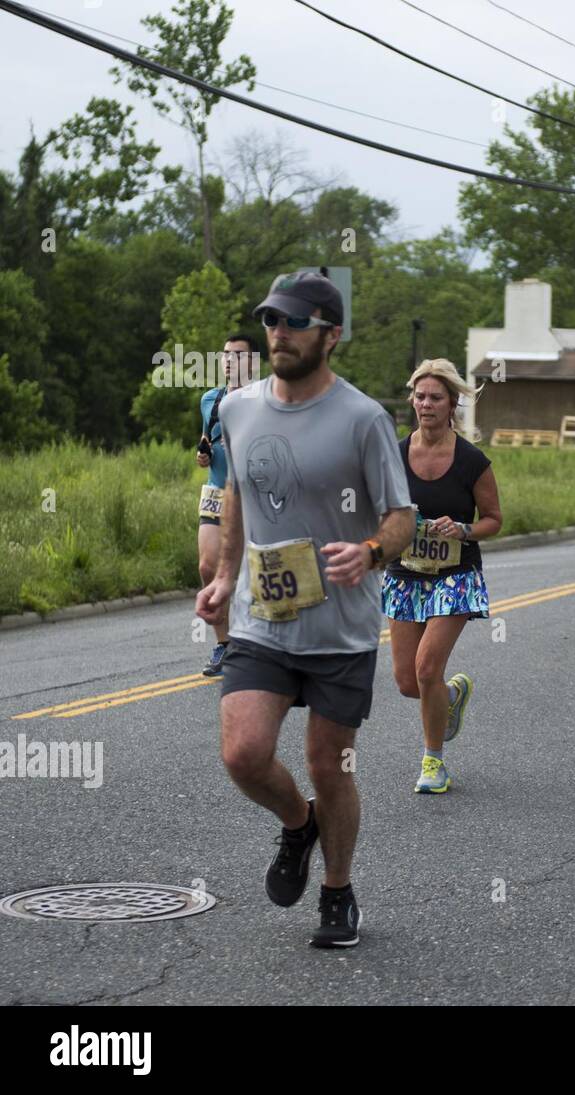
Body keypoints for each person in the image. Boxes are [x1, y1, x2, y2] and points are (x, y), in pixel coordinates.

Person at [196, 271, 416, 948]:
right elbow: (235, 493)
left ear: (331, 333)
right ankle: (299, 824)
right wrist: (226, 574)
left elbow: (402, 513)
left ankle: (338, 888)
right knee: (243, 753)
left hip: (341, 626)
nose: (279, 333)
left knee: (330, 764)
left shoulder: (362, 418)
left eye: (294, 321)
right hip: (266, 617)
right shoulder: (238, 408)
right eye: (271, 320)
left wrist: (373, 551)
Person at [385, 359, 501, 794]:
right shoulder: (394, 455)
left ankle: (434, 762)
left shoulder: (471, 460)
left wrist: (464, 529)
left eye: (436, 397)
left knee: (427, 667)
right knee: (407, 681)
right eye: (420, 396)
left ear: (452, 402)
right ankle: (450, 698)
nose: (426, 404)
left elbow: (494, 519)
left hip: (455, 574)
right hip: (406, 572)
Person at [195, 333, 259, 677]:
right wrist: (203, 454)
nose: (230, 360)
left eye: (238, 355)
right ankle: (224, 644)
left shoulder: (266, 399)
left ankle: (265, 642)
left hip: (254, 496)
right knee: (209, 568)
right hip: (218, 490)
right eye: (225, 355)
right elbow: (208, 440)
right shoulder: (210, 399)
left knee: (257, 572)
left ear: (253, 362)